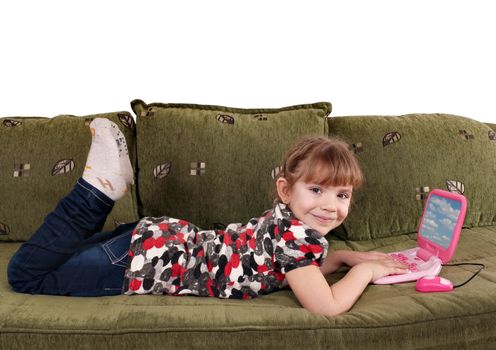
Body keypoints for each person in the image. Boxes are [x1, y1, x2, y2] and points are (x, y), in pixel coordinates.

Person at [7, 118, 408, 316]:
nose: (330, 205)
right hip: (145, 264)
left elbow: (300, 266)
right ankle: (97, 191)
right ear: (286, 190)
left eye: (342, 194)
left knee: (59, 256)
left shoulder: (289, 224)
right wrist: (366, 273)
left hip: (160, 240)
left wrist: (350, 258)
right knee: (27, 274)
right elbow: (326, 306)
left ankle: (101, 191)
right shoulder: (296, 241)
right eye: (317, 190)